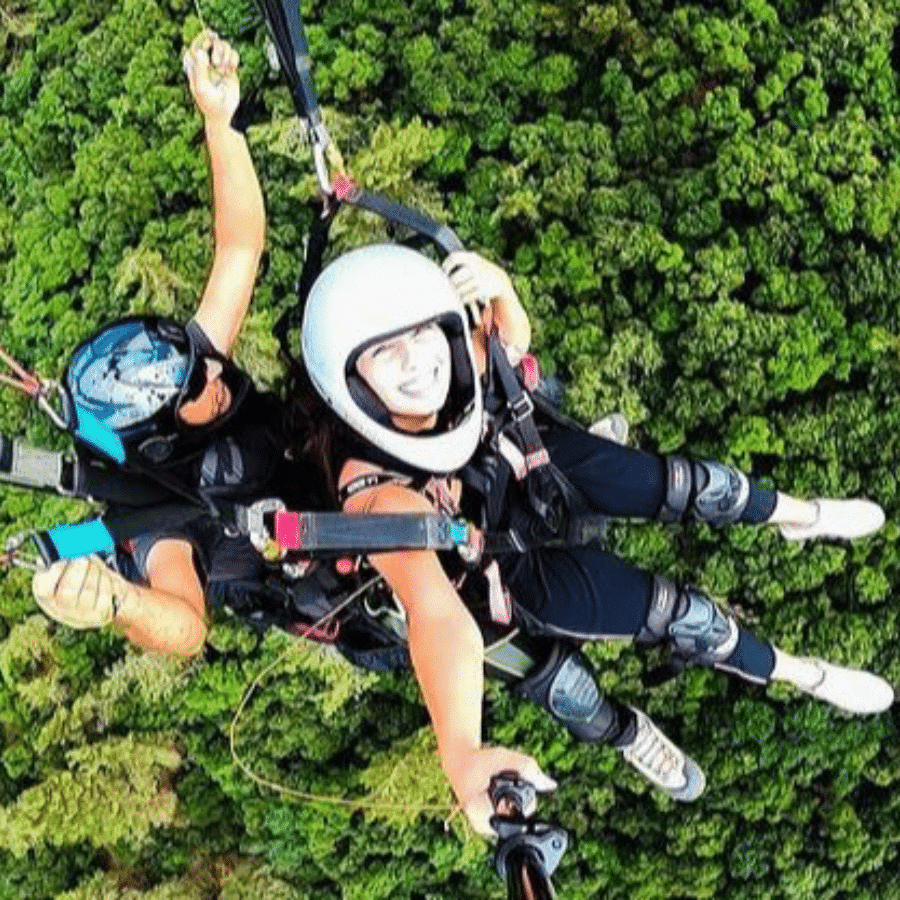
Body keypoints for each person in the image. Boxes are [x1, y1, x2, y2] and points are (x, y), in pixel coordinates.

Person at [299, 243, 895, 835]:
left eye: (421, 333)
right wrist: (460, 751)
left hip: (536, 470)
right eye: (383, 352)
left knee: (697, 485)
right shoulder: (375, 493)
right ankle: (791, 678)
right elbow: (435, 610)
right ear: (352, 382)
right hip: (503, 572)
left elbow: (512, 340)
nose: (413, 360)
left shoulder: (463, 366)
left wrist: (501, 286)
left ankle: (798, 516)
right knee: (675, 624)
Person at [30, 32, 307, 654]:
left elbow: (239, 248)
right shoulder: (156, 518)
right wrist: (119, 600)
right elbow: (187, 623)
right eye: (198, 387)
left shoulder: (193, 367)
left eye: (197, 362)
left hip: (322, 452)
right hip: (327, 566)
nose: (214, 372)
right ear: (165, 434)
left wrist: (220, 121)